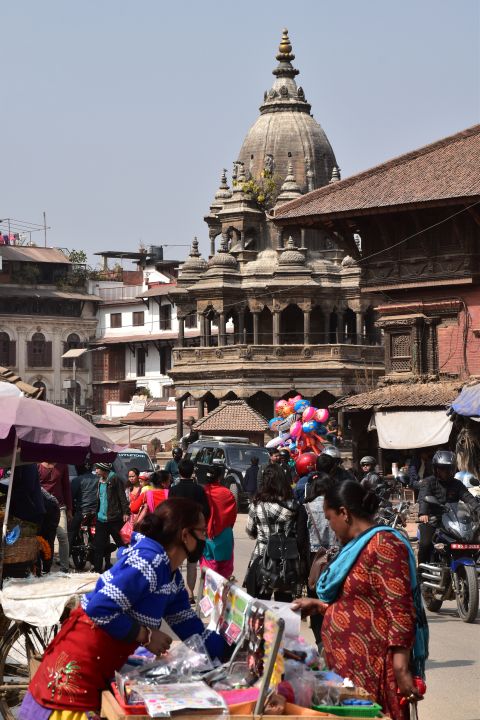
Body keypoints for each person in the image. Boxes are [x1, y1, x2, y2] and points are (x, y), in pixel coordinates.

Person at [20, 498, 228, 718]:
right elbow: (100, 608)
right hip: (83, 658)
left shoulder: (171, 576)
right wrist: (146, 636)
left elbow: (190, 626)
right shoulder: (150, 562)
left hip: (104, 660)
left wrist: (236, 652)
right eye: (202, 532)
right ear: (185, 535)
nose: (205, 539)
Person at [292, 479, 428, 720]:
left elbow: (400, 611)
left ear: (344, 513)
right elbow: (361, 604)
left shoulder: (384, 544)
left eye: (329, 517)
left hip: (373, 670)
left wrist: (400, 666)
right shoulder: (355, 547)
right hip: (350, 670)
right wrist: (320, 607)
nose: (329, 525)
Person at [244, 463, 298, 601]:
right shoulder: (292, 504)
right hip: (286, 561)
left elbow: (250, 532)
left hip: (261, 557)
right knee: (285, 606)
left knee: (259, 603)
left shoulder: (257, 504)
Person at [296, 474, 338, 648]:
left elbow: (300, 539)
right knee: (334, 601)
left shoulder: (305, 508)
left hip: (314, 560)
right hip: (337, 560)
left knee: (315, 601)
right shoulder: (338, 507)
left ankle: (321, 642)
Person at [417, 449, 480, 567]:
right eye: (442, 468)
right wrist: (423, 513)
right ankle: (420, 570)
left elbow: (468, 497)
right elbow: (423, 498)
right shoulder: (429, 482)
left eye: (448, 468)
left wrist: (478, 508)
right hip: (433, 519)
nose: (445, 471)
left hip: (453, 519)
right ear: (436, 468)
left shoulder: (457, 484)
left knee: (472, 540)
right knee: (425, 543)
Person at [169, 458, 210, 603]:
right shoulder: (199, 490)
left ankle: (176, 593)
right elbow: (206, 511)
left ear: (179, 472)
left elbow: (170, 512)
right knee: (192, 564)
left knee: (177, 564)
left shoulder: (174, 490)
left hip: (178, 532)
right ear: (192, 471)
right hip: (195, 533)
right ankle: (190, 593)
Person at [201, 465, 237, 579]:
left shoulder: (202, 493)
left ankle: (210, 596)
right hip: (225, 535)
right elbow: (232, 516)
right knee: (225, 572)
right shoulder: (227, 493)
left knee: (209, 571)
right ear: (219, 478)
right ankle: (222, 596)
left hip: (207, 535)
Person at [93, 462, 129, 573]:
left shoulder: (115, 479)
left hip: (114, 518)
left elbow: (122, 496)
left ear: (104, 469)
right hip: (101, 519)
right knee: (98, 546)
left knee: (121, 544)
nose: (96, 471)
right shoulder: (99, 480)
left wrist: (125, 512)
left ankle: (127, 567)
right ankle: (98, 569)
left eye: (98, 469)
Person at [37, 462, 72, 573]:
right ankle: (40, 566)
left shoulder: (62, 465)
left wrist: (69, 509)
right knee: (42, 538)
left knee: (62, 535)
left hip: (59, 506)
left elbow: (66, 488)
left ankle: (64, 567)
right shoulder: (37, 465)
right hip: (41, 507)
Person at [68, 463, 99, 550]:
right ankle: (107, 560)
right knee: (104, 532)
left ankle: (67, 555)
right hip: (97, 512)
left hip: (82, 512)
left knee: (71, 531)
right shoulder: (99, 479)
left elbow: (71, 496)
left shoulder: (77, 480)